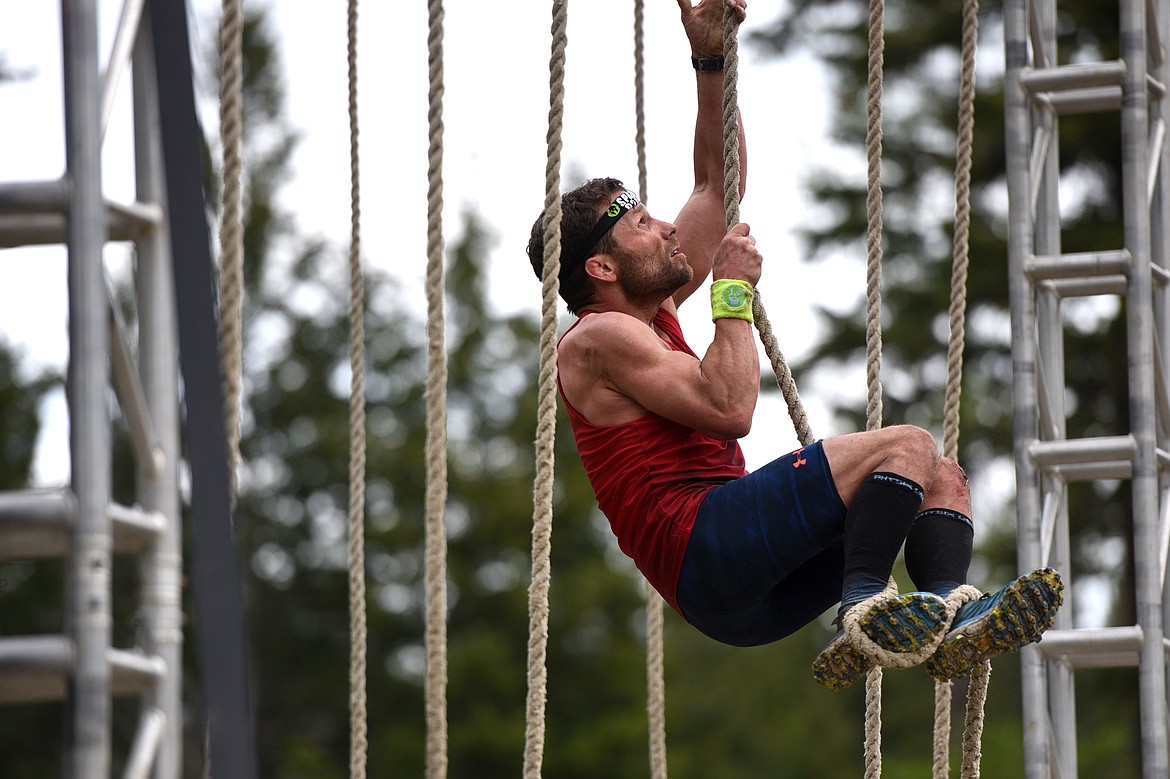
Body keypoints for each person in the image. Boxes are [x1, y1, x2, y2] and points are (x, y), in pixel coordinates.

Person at [527, 0, 1062, 690]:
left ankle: (947, 612)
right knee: (906, 447)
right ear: (600, 268)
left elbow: (717, 186)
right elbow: (729, 406)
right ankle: (864, 605)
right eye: (639, 225)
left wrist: (711, 59)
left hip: (741, 595)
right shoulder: (595, 340)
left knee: (940, 475)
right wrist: (730, 294)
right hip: (707, 547)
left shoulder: (646, 309)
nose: (663, 227)